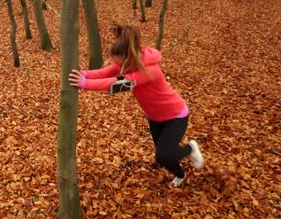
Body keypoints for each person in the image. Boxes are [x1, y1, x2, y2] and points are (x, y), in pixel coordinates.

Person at [68, 24, 204, 187]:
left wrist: (86, 84)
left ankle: (189, 152)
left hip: (175, 115)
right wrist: (86, 74)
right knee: (162, 152)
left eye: (119, 62)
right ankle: (176, 166)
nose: (117, 65)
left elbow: (116, 84)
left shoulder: (149, 70)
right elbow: (108, 72)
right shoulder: (130, 60)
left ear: (129, 57)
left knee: (163, 155)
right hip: (155, 117)